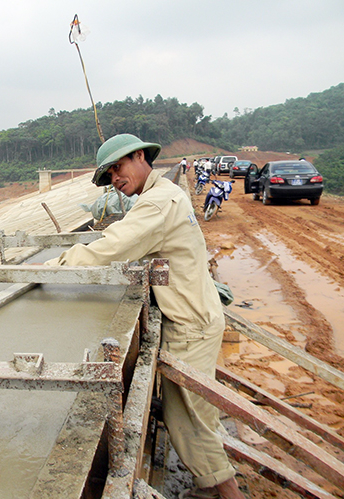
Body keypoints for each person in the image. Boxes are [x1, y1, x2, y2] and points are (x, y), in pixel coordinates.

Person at [45, 134, 244, 499]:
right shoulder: (164, 195)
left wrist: (53, 267)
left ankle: (228, 492)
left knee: (188, 421)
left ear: (139, 157)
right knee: (196, 413)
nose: (115, 179)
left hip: (190, 324)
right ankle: (210, 486)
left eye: (118, 168)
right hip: (197, 315)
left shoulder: (156, 204)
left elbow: (111, 247)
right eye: (108, 176)